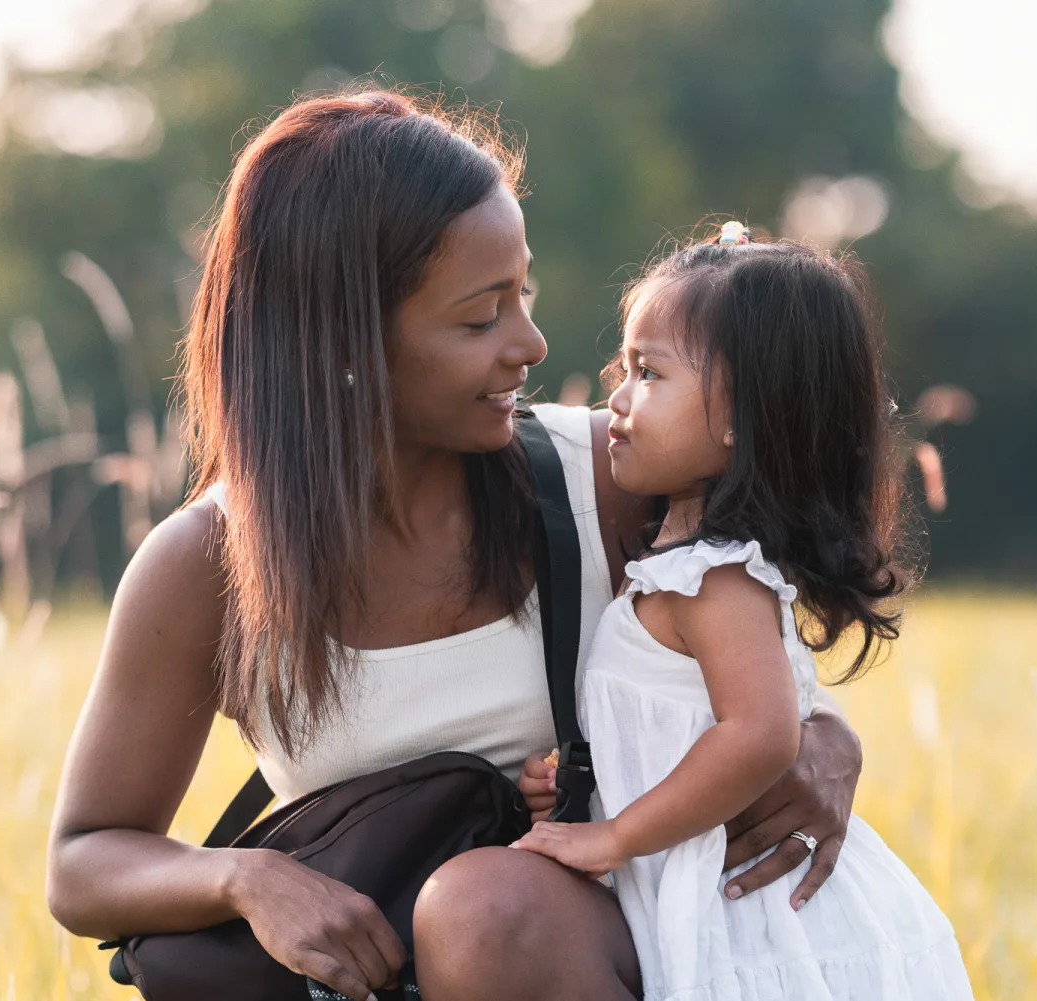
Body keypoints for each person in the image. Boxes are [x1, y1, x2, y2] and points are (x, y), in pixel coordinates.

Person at [45, 91, 865, 1001]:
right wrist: (246, 876)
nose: (532, 343)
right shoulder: (205, 563)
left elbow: (757, 661)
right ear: (346, 341)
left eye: (525, 294)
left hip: (629, 950)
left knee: (487, 910)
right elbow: (83, 862)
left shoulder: (605, 478)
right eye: (481, 318)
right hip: (385, 975)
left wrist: (830, 738)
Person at [509, 224, 974, 1000]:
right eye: (623, 367)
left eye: (650, 373)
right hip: (700, 893)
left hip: (753, 912)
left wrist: (613, 836)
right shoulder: (681, 567)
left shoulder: (716, 580)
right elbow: (672, 726)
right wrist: (579, 788)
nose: (616, 397)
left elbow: (758, 735)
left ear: (742, 416)